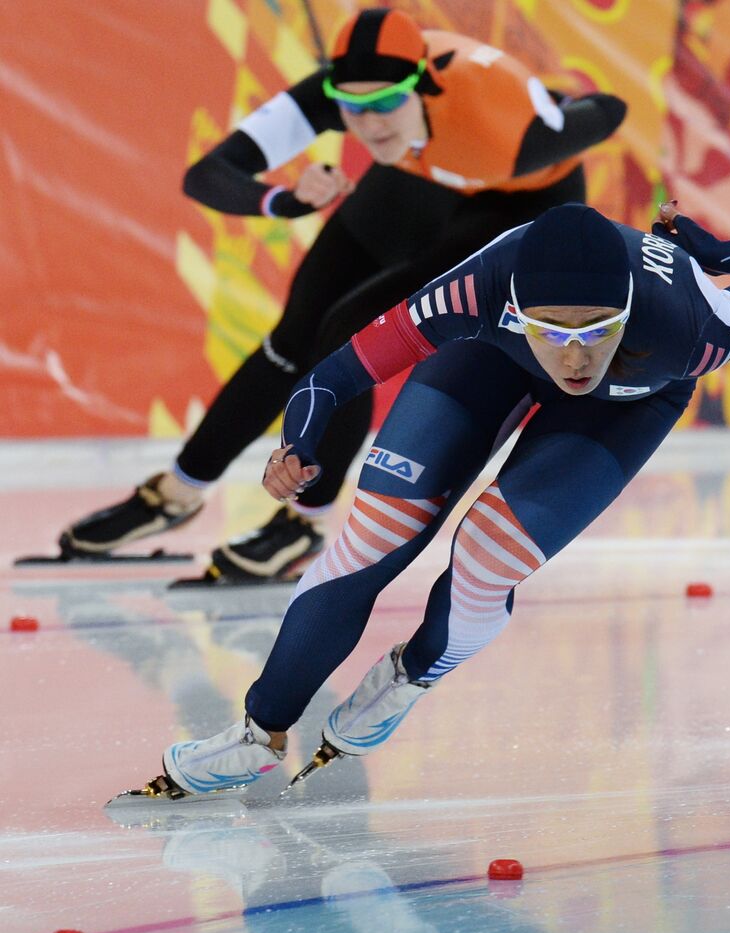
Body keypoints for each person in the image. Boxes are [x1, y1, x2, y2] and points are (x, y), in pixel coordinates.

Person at [119, 201, 730, 800]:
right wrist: (296, 446)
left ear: (629, 310)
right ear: (518, 305)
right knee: (374, 534)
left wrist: (710, 248)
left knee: (487, 555)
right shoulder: (475, 289)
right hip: (489, 355)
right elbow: (330, 378)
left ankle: (413, 671)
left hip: (632, 396)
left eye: (593, 332)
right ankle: (257, 731)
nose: (573, 358)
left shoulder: (696, 325)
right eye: (553, 330)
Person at [61, 7, 627, 583]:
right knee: (293, 338)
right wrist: (285, 201)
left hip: (512, 199)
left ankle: (305, 523)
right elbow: (208, 174)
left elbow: (609, 110)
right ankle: (178, 493)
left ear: (423, 87)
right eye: (352, 109)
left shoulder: (512, 133)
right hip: (418, 170)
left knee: (349, 335)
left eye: (384, 103)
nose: (368, 123)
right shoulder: (363, 102)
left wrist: (539, 98)